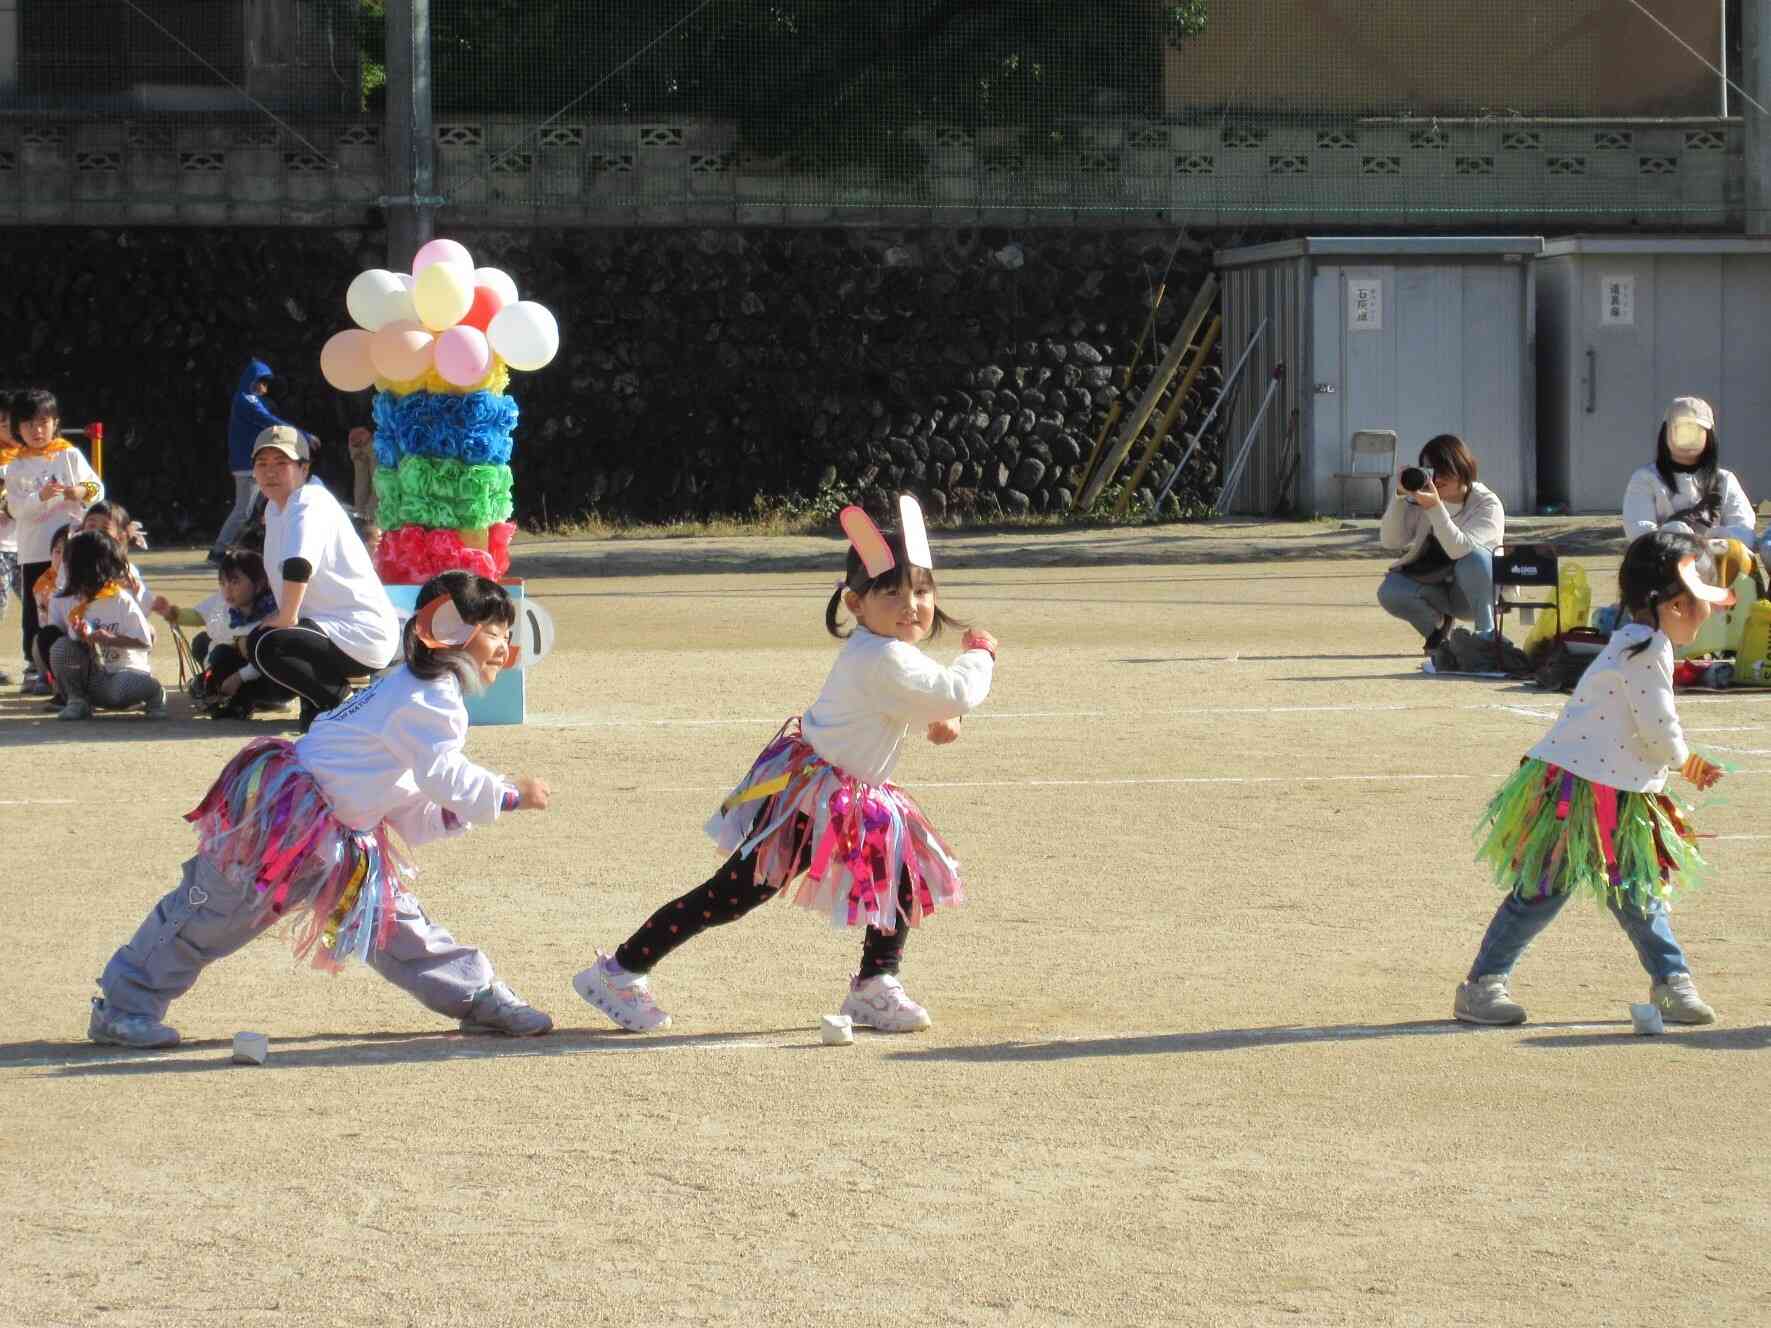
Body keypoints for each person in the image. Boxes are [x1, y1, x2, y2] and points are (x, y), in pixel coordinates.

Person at [575, 496, 997, 1035]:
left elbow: (919, 702)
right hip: (816, 796)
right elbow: (951, 689)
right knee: (734, 893)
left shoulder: (887, 651)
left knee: (901, 876)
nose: (910, 603)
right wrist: (980, 653)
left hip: (851, 790)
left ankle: (875, 984)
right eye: (890, 592)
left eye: (921, 590)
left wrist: (942, 717)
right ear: (855, 603)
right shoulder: (882, 656)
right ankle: (618, 971)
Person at [87, 570, 555, 1050]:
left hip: (339, 837)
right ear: (452, 634)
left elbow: (407, 793)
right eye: (496, 632)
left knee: (392, 923)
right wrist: (508, 793)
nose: (504, 646)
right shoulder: (428, 698)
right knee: (212, 913)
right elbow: (443, 776)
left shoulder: (415, 690)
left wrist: (459, 811)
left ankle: (476, 996)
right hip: (282, 825)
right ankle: (124, 1006)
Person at [1453, 529, 1730, 1027]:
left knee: (1636, 889)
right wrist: (1691, 764)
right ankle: (1482, 985)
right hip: (1576, 791)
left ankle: (1671, 979)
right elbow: (1658, 727)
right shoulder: (1645, 649)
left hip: (1620, 793)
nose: (1710, 611)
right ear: (1673, 604)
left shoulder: (1642, 641)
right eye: (1702, 599)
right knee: (1546, 888)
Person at [247, 425, 399, 731]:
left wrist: (286, 617)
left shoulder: (308, 500)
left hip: (360, 632)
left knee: (266, 644)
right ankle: (321, 706)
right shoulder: (276, 510)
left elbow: (299, 564)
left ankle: (344, 705)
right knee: (266, 638)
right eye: (262, 464)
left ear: (304, 468)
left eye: (281, 463)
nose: (270, 472)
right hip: (328, 627)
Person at [4, 388, 102, 693]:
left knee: (75, 602)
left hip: (70, 548)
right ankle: (35, 667)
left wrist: (80, 491)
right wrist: (40, 497)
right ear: (17, 427)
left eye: (44, 422)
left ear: (55, 422)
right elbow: (16, 508)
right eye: (29, 424)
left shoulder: (69, 454)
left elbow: (97, 486)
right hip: (33, 548)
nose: (37, 430)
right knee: (36, 610)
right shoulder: (15, 466)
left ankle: (81, 663)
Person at [1376, 434, 1505, 654]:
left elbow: (1461, 550)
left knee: (1473, 558)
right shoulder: (1423, 497)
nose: (1437, 477)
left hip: (1474, 595)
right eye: (1430, 469)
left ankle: (1487, 636)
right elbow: (1391, 541)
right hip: (1437, 586)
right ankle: (1439, 636)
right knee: (1391, 591)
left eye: (1444, 469)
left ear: (1463, 468)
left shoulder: (1486, 503)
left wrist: (1435, 507)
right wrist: (1398, 498)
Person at [157, 547, 292, 718]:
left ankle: (244, 701)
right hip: (237, 663)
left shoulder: (274, 613)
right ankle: (215, 683)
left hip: (267, 677)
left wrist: (238, 677)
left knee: (221, 653)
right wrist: (172, 613)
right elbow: (199, 616)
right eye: (223, 583)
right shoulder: (223, 601)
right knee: (201, 642)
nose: (227, 589)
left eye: (235, 582)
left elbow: (269, 658)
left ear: (259, 584)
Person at [48, 529, 166, 721]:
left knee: (116, 692)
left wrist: (111, 639)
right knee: (60, 647)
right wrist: (81, 635)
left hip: (122, 674)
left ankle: (154, 693)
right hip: (94, 678)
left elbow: (145, 642)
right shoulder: (71, 600)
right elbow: (73, 649)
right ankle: (77, 700)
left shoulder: (120, 600)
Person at [212, 359, 313, 562]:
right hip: (247, 466)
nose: (265, 387)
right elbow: (270, 422)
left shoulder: (248, 399)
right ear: (253, 381)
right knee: (244, 510)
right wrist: (303, 435)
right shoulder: (247, 400)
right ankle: (219, 551)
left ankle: (259, 546)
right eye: (262, 382)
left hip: (251, 463)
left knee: (267, 507)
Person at [1622, 397, 1756, 548]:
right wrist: (1670, 536)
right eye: (1680, 429)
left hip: (1716, 561)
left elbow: (1745, 530)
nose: (1687, 437)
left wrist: (1721, 538)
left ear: (1708, 436)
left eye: (1696, 430)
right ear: (1665, 432)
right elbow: (1638, 531)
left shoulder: (1725, 480)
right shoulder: (1645, 478)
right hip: (1664, 560)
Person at [0, 389, 21, 685]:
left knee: (40, 606)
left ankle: (39, 665)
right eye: (2, 423)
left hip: (32, 545)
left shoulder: (42, 457)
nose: (9, 429)